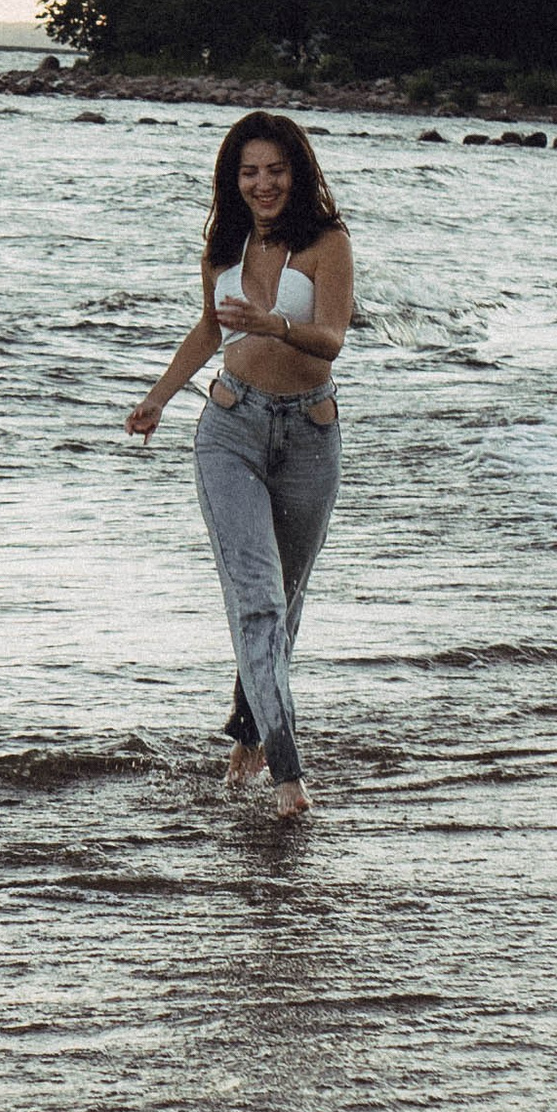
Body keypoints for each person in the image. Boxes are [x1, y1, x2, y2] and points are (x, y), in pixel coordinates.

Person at [125, 111, 352, 819]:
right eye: (249, 172)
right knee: (254, 601)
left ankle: (251, 726)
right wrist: (159, 397)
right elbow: (208, 326)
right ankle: (288, 777)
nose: (263, 184)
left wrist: (276, 324)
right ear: (234, 178)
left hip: (310, 436)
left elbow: (333, 341)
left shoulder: (326, 241)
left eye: (276, 170)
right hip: (229, 429)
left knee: (283, 604)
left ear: (298, 171)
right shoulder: (224, 244)